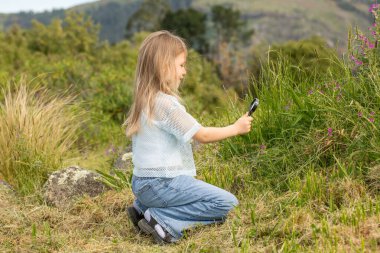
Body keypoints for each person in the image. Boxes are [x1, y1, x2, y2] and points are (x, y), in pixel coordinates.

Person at [123, 30, 253, 244]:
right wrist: (236, 128)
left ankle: (143, 209)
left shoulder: (145, 100)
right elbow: (202, 135)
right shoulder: (165, 104)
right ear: (164, 66)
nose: (185, 72)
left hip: (141, 185)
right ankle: (163, 220)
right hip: (161, 184)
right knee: (227, 203)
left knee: (197, 194)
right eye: (181, 65)